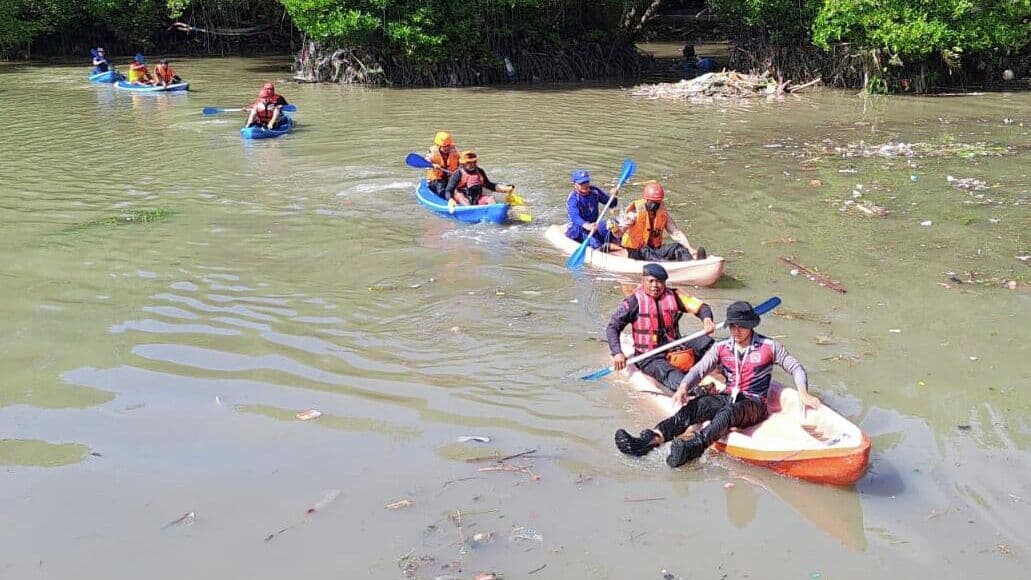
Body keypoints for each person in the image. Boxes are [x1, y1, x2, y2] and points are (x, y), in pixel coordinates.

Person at [614, 300, 822, 467]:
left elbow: (796, 368)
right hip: (728, 395)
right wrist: (684, 387)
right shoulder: (722, 348)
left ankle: (694, 447)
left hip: (754, 403)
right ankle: (649, 441)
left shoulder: (770, 346)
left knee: (727, 413)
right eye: (732, 326)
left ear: (750, 326)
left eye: (741, 326)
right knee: (695, 407)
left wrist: (803, 392)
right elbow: (699, 369)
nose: (736, 330)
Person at [606, 263, 716, 392]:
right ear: (643, 281)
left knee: (709, 344)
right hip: (649, 356)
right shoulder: (633, 302)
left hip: (675, 346)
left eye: (659, 282)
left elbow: (702, 307)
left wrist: (707, 319)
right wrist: (617, 352)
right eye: (651, 281)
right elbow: (613, 327)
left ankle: (728, 371)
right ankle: (697, 391)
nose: (655, 286)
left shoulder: (675, 296)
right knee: (667, 372)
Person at [619, 181, 706, 262]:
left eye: (657, 203)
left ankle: (691, 262)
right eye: (652, 202)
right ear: (646, 200)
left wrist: (689, 248)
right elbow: (621, 229)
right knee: (645, 251)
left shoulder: (663, 214)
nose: (654, 205)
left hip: (654, 249)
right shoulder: (634, 213)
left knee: (677, 247)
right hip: (635, 251)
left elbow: (676, 233)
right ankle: (663, 265)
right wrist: (618, 229)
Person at [565, 169, 622, 252]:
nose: (585, 185)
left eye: (586, 182)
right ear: (574, 184)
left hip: (594, 225)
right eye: (581, 183)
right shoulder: (573, 199)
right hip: (578, 229)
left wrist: (614, 196)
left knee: (613, 226)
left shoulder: (594, 191)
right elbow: (575, 216)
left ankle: (622, 246)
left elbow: (611, 204)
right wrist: (586, 225)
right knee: (596, 244)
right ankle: (609, 248)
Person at [444, 151, 513, 206]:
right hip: (462, 197)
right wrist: (450, 200)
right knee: (464, 201)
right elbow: (448, 191)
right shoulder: (457, 174)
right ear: (463, 163)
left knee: (491, 199)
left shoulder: (480, 171)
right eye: (469, 162)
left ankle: (494, 212)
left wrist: (504, 189)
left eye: (474, 162)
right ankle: (470, 211)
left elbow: (488, 185)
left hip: (477, 197)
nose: (472, 164)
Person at [425, 132, 459, 197]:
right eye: (444, 146)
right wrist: (433, 165)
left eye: (448, 145)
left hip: (450, 178)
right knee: (441, 188)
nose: (447, 148)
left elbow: (460, 162)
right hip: (436, 180)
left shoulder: (454, 152)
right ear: (438, 146)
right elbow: (426, 162)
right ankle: (446, 199)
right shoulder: (431, 154)